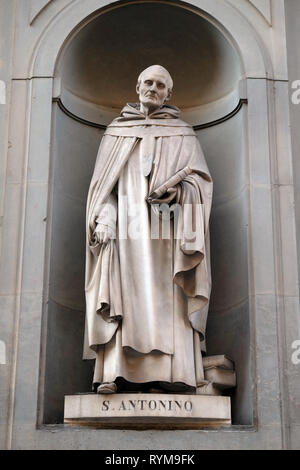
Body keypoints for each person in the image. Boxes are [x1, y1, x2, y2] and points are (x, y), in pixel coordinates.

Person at [83, 65, 213, 394]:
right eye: (148, 82)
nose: (153, 89)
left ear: (169, 93)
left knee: (166, 297)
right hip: (126, 232)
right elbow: (102, 190)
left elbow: (200, 183)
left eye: (160, 85)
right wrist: (105, 216)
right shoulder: (117, 132)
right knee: (124, 294)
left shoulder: (182, 133)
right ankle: (114, 373)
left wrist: (180, 192)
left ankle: (175, 375)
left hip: (167, 228)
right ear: (137, 85)